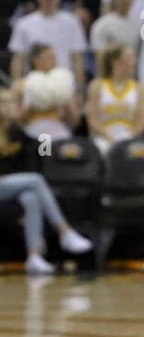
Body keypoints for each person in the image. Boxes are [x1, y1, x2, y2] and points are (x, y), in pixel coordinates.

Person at [0, 88, 93, 274]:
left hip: (11, 191)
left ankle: (34, 256)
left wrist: (46, 132)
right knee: (35, 181)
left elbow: (43, 150)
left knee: (30, 198)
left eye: (13, 102)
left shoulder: (18, 133)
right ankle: (65, 231)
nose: (11, 106)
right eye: (5, 102)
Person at [86, 45, 144, 157]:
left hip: (129, 137)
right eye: (130, 58)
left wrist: (126, 138)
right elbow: (93, 120)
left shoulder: (139, 89)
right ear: (116, 62)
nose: (134, 62)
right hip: (104, 137)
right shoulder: (97, 86)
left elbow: (141, 124)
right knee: (103, 149)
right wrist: (110, 137)